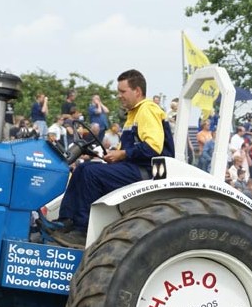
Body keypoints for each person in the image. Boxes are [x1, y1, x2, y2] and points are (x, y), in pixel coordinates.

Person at [52, 70, 174, 247]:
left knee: (91, 174)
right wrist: (112, 154)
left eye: (123, 91)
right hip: (134, 167)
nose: (119, 96)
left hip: (149, 172)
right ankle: (65, 221)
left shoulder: (147, 109)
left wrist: (122, 154)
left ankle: (82, 231)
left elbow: (153, 148)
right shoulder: (133, 114)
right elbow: (129, 148)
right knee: (83, 168)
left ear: (137, 91)